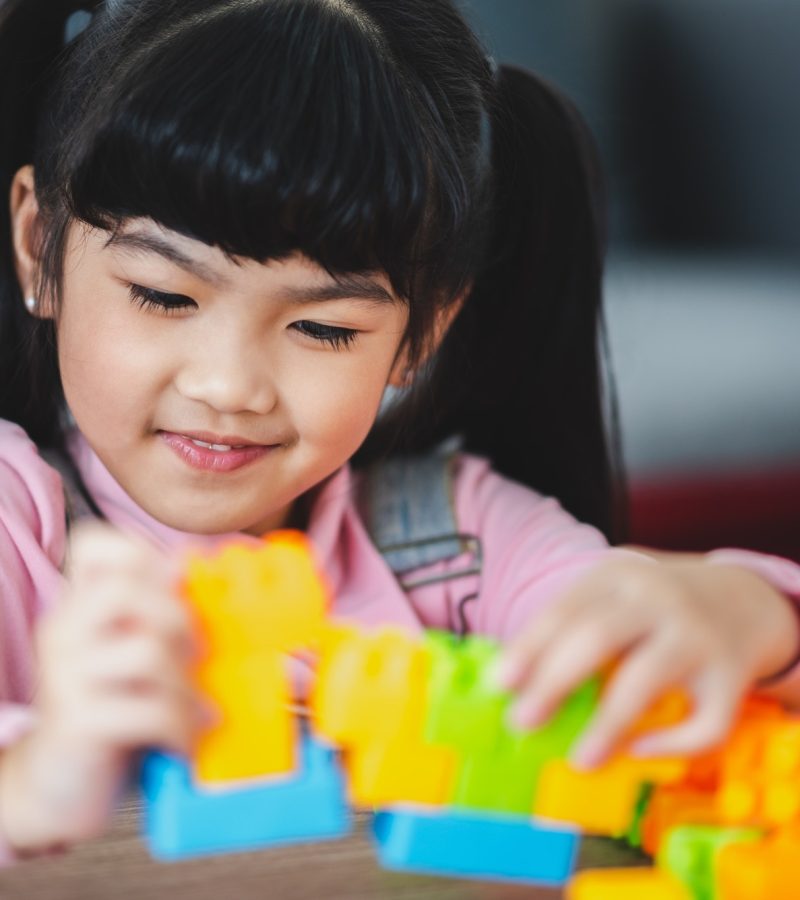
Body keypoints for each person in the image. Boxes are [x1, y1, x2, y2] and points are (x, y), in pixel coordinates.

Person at [0, 0, 799, 862]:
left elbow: (640, 645)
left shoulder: (456, 541)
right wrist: (37, 777)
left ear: (420, 336)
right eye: (163, 296)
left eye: (325, 329)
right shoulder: (20, 525)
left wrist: (751, 615)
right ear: (39, 243)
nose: (228, 387)